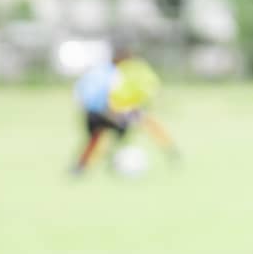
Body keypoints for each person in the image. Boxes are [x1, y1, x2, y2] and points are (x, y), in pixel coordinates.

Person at [70, 47, 177, 175]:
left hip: (93, 113)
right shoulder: (114, 73)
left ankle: (81, 166)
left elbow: (80, 93)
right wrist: (118, 113)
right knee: (131, 125)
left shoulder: (99, 70)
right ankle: (169, 150)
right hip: (105, 112)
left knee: (97, 137)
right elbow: (106, 98)